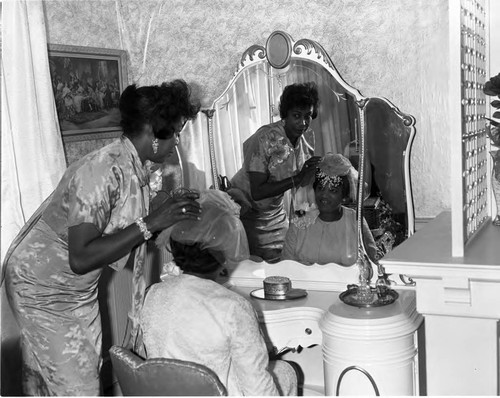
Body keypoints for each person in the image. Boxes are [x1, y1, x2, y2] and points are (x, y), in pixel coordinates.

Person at [1, 79, 201, 396]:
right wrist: (152, 221)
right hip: (43, 288)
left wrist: (166, 207)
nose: (177, 142)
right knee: (78, 385)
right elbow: (80, 258)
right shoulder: (102, 170)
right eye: (175, 132)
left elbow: (122, 228)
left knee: (83, 371)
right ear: (152, 130)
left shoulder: (133, 165)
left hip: (76, 289)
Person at [140, 189, 298, 396]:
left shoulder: (153, 294)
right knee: (285, 372)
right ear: (223, 254)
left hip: (165, 392)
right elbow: (258, 390)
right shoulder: (232, 307)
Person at [228, 82, 322, 263]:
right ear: (284, 114)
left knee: (293, 256)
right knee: (264, 265)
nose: (303, 123)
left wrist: (305, 224)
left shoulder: (307, 137)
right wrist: (297, 178)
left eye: (308, 116)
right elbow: (257, 192)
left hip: (275, 212)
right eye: (296, 116)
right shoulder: (264, 138)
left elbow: (302, 189)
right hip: (247, 211)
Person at [281, 153, 378, 266]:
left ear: (344, 195)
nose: (324, 195)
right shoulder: (300, 222)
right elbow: (286, 266)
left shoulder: (355, 221)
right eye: (321, 188)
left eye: (333, 190)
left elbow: (372, 261)